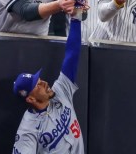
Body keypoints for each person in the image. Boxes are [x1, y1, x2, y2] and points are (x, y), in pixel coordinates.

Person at [12, 16, 84, 153]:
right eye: (37, 85)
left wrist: (76, 17)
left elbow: (72, 54)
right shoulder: (28, 130)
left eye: (40, 80)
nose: (44, 83)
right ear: (31, 99)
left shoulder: (60, 92)